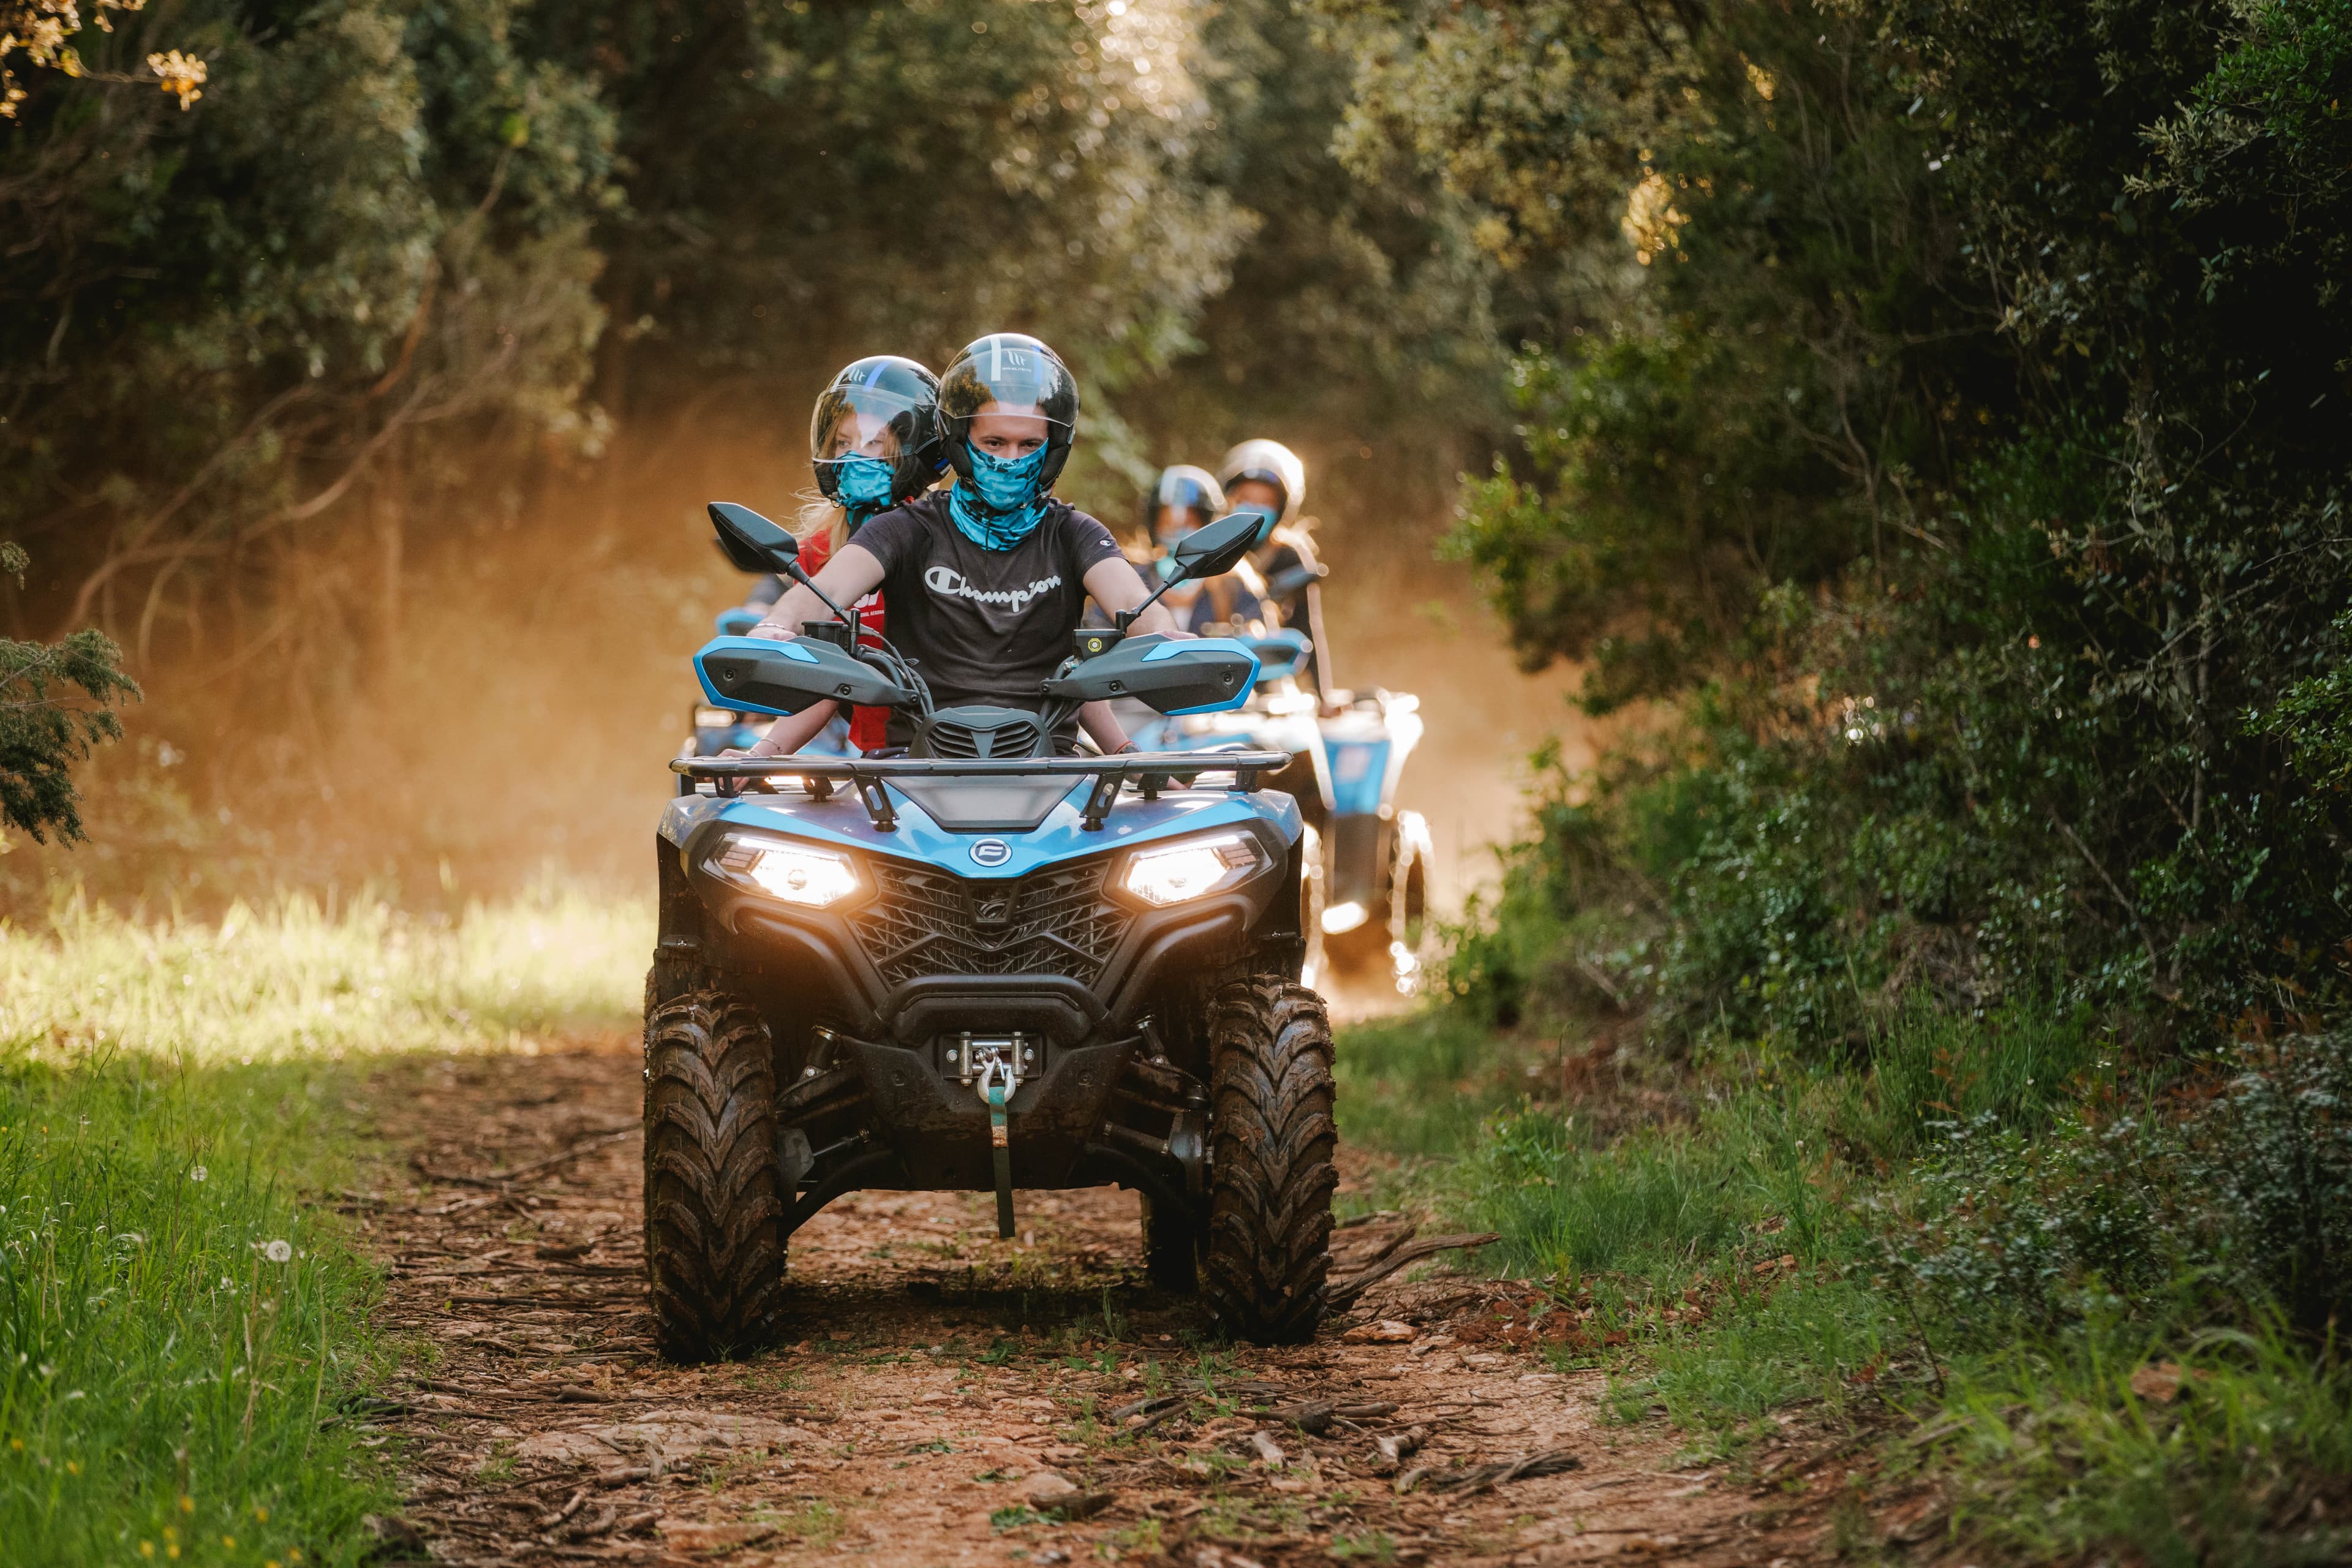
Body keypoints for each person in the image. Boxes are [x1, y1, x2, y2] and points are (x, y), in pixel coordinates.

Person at [751, 332, 1185, 753]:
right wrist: (773, 629)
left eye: (1029, 444)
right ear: (959, 441)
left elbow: (1136, 604)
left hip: (1052, 776)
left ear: (1053, 448)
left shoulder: (1075, 533)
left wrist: (1169, 644)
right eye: (994, 442)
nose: (1011, 460)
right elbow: (820, 596)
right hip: (911, 777)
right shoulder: (905, 529)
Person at [731, 355, 946, 759]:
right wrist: (761, 754)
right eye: (843, 443)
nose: (850, 456)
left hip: (955, 751)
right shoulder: (821, 549)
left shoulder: (945, 537)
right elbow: (825, 682)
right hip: (880, 760)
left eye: (872, 443)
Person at [1216, 438, 1333, 700]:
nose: (1255, 509)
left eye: (1265, 502)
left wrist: (1323, 696)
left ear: (1282, 508)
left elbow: (1308, 628)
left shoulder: (1291, 556)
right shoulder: (1213, 548)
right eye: (1246, 499)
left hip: (1271, 680)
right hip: (1213, 676)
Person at [1140, 464, 1267, 635]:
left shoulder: (1237, 585)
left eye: (1189, 523)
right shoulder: (1133, 579)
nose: (1177, 531)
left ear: (1209, 524)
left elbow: (1262, 646)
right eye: (1168, 523)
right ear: (1154, 524)